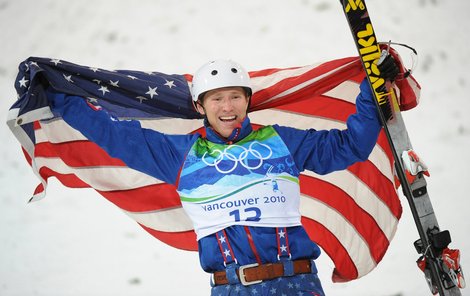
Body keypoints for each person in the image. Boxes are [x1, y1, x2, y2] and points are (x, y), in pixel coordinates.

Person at [48, 56, 398, 295]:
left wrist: (372, 89)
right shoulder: (181, 153)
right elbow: (114, 135)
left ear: (247, 100)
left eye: (234, 97)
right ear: (200, 106)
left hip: (298, 284)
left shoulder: (280, 141)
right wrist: (55, 91)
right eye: (216, 99)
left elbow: (351, 146)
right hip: (231, 288)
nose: (226, 107)